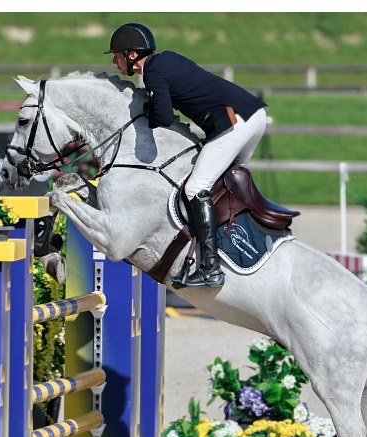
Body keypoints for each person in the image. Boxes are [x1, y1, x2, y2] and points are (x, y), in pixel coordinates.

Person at [105, 22, 268, 288]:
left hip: (235, 121)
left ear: (132, 55)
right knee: (223, 182)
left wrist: (146, 111)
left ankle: (210, 267)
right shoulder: (168, 60)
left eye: (116, 55)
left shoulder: (152, 72)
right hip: (255, 115)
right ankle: (242, 238)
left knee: (195, 188)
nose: (114, 61)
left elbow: (163, 117)